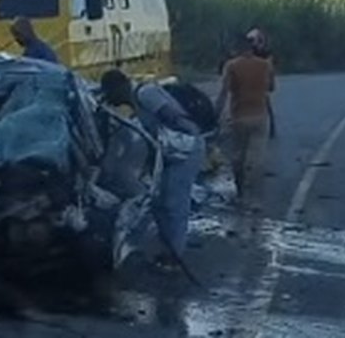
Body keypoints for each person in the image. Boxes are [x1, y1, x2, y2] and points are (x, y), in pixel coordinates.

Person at [100, 69, 205, 268]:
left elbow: (176, 118)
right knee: (160, 201)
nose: (111, 101)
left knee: (175, 203)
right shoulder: (134, 105)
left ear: (120, 87)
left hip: (185, 149)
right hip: (170, 152)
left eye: (111, 94)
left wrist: (185, 139)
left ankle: (175, 257)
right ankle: (169, 248)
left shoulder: (145, 93)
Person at [216, 34, 275, 202]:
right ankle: (256, 198)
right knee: (257, 159)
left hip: (238, 116)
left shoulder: (231, 66)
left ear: (236, 49)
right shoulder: (265, 65)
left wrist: (215, 115)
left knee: (237, 156)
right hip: (259, 116)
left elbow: (223, 93)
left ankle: (241, 191)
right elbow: (271, 87)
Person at [246, 28, 277, 138]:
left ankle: (272, 126)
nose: (252, 43)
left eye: (252, 40)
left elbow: (270, 68)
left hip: (262, 79)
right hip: (251, 78)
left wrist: (270, 83)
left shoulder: (266, 52)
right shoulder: (250, 51)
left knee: (266, 102)